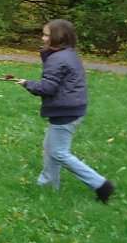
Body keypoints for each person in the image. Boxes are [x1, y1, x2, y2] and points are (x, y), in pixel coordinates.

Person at [15, 19, 115, 203]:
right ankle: (48, 183)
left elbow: (47, 88)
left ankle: (101, 185)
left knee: (59, 153)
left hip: (65, 111)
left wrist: (27, 83)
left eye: (46, 35)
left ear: (58, 37)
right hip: (71, 108)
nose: (43, 38)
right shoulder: (68, 54)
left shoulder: (58, 58)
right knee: (50, 147)